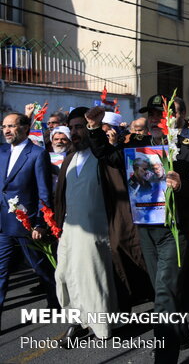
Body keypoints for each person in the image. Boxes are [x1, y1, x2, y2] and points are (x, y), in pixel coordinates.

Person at [86, 94, 189, 363]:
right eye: (153, 114)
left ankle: (164, 357)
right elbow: (106, 155)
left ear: (180, 115)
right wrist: (93, 128)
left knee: (163, 293)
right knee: (163, 289)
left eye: (165, 113)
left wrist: (183, 186)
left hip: (174, 229)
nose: (157, 118)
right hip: (146, 228)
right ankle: (178, 331)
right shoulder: (137, 142)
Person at [54, 107, 120, 347]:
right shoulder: (71, 157)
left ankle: (101, 329)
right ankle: (78, 322)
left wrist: (97, 133)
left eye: (79, 127)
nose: (74, 132)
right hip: (70, 228)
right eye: (71, 128)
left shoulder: (100, 156)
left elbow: (111, 157)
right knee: (63, 275)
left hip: (95, 227)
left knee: (92, 278)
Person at [0, 112, 59, 330]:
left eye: (11, 126)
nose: (6, 130)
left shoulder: (37, 154)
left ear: (25, 128)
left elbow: (44, 191)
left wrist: (40, 224)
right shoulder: (2, 151)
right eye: (4, 126)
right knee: (1, 272)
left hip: (27, 225)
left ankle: (56, 302)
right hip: (3, 225)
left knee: (42, 268)